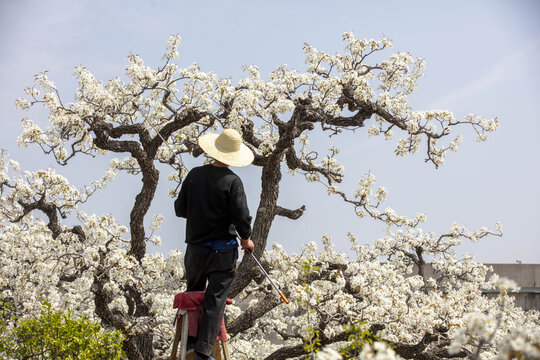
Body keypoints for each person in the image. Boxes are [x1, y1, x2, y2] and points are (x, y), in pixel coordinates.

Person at [174, 128, 255, 360]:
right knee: (214, 298)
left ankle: (190, 341)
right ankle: (203, 351)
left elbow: (180, 209)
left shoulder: (194, 175)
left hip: (196, 249)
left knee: (194, 293)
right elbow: (242, 215)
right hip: (223, 250)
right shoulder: (233, 181)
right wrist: (247, 239)